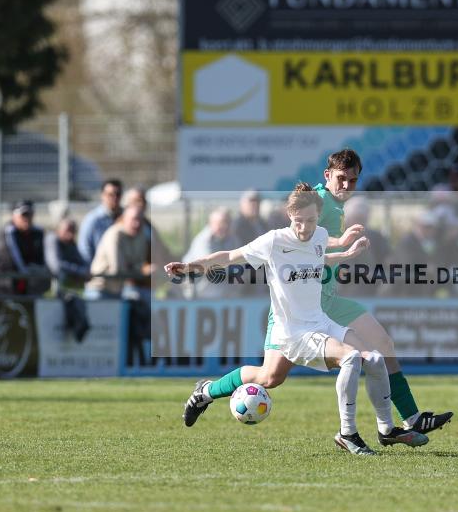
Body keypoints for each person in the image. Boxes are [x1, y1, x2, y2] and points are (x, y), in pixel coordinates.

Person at [168, 183, 429, 455]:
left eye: (311, 221)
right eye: (298, 221)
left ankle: (386, 429)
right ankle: (347, 433)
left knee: (369, 359)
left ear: (319, 215)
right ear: (288, 216)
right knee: (351, 358)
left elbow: (317, 256)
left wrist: (345, 251)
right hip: (293, 332)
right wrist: (188, 267)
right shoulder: (273, 241)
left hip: (318, 322)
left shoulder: (318, 234)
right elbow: (228, 257)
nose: (304, 228)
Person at [301, 149, 452, 432]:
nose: (347, 185)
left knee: (382, 345)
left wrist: (344, 252)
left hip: (330, 300)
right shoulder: (318, 201)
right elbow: (300, 247)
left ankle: (409, 420)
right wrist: (343, 248)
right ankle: (207, 391)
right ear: (327, 175)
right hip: (303, 306)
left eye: (353, 180)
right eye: (341, 178)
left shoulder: (333, 203)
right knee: (269, 376)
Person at [85, 205, 152, 300]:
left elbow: (139, 265)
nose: (137, 224)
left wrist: (138, 268)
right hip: (99, 290)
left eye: (140, 220)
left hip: (118, 291)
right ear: (124, 219)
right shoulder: (114, 234)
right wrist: (140, 270)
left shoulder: (141, 236)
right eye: (133, 219)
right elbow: (117, 268)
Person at [0, 200, 48, 296]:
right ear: (14, 216)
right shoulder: (8, 233)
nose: (27, 218)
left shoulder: (37, 233)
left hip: (27, 284)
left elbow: (41, 260)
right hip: (5, 286)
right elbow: (12, 263)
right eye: (23, 215)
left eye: (30, 214)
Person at [337, 196, 390, 297]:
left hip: (372, 290)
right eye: (357, 218)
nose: (360, 223)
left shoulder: (376, 237)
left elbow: (388, 260)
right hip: (345, 290)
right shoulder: (337, 237)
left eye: (363, 219)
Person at [182, 207, 240, 298]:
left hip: (223, 291)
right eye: (221, 222)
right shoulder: (203, 240)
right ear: (210, 224)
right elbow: (209, 267)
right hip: (198, 291)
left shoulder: (233, 239)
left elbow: (241, 263)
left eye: (227, 222)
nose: (224, 226)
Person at [78, 179, 123, 264]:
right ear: (102, 195)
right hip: (100, 272)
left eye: (118, 194)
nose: (114, 198)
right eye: (110, 195)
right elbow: (84, 248)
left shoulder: (125, 217)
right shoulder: (93, 219)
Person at [44, 217, 88, 288]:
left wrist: (82, 271)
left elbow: (82, 263)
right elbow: (56, 266)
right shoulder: (52, 239)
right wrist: (78, 271)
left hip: (66, 286)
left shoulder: (71, 243)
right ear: (58, 230)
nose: (70, 234)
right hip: (45, 284)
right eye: (67, 230)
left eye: (73, 231)